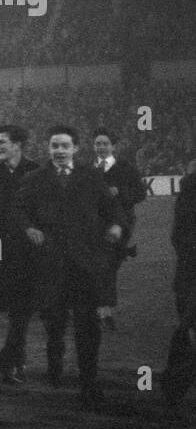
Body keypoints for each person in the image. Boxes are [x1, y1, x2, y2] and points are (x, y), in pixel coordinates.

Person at [12, 125, 124, 409]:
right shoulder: (35, 179)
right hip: (51, 264)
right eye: (54, 146)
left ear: (75, 148)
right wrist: (28, 228)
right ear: (48, 149)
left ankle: (89, 381)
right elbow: (20, 208)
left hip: (85, 264)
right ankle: (54, 363)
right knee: (53, 320)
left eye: (64, 146)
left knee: (88, 325)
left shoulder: (91, 176)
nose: (59, 151)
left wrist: (116, 225)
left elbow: (113, 209)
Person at [0, 125, 40, 384]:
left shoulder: (37, 172)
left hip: (28, 253)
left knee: (22, 311)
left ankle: (10, 361)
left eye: (2, 142)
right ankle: (10, 360)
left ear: (17, 144)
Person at [91, 128, 145, 331]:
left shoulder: (125, 168)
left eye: (105, 143)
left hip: (120, 225)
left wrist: (119, 192)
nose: (101, 147)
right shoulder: (87, 169)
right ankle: (103, 311)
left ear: (113, 146)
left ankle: (102, 309)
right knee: (101, 267)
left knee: (108, 267)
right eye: (98, 143)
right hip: (95, 226)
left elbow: (140, 194)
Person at [160, 159, 196, 409]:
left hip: (188, 273)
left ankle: (173, 387)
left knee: (188, 329)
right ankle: (173, 388)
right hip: (192, 272)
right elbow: (181, 236)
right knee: (189, 329)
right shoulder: (191, 188)